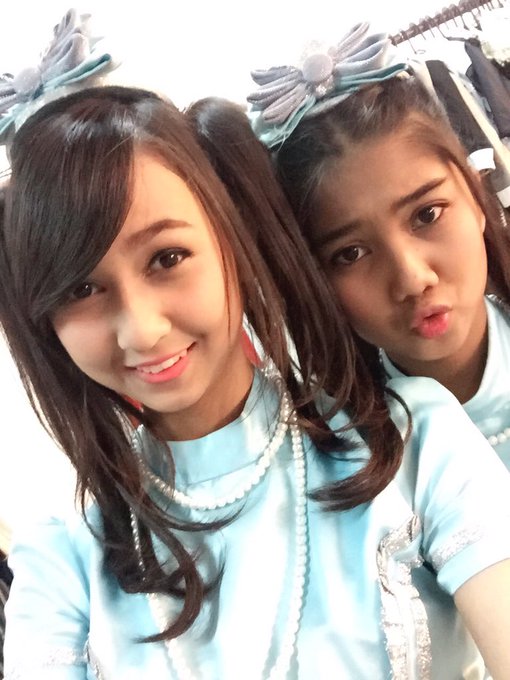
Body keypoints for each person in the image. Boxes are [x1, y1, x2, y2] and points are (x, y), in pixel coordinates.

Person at [2, 28, 510, 680]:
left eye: (167, 257)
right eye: (81, 289)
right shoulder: (64, 553)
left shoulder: (412, 438)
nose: (143, 330)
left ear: (229, 240)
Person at [247, 22, 510, 470]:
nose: (412, 278)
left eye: (427, 215)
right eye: (350, 254)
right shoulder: (340, 460)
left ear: (475, 195)